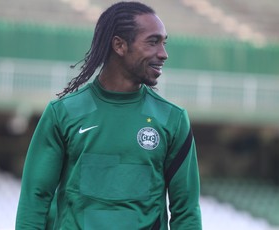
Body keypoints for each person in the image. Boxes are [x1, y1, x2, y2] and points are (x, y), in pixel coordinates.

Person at [16, 1, 202, 229]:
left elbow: (187, 212)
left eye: (164, 43)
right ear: (119, 45)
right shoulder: (63, 113)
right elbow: (34, 199)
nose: (163, 54)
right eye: (153, 42)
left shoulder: (172, 119)